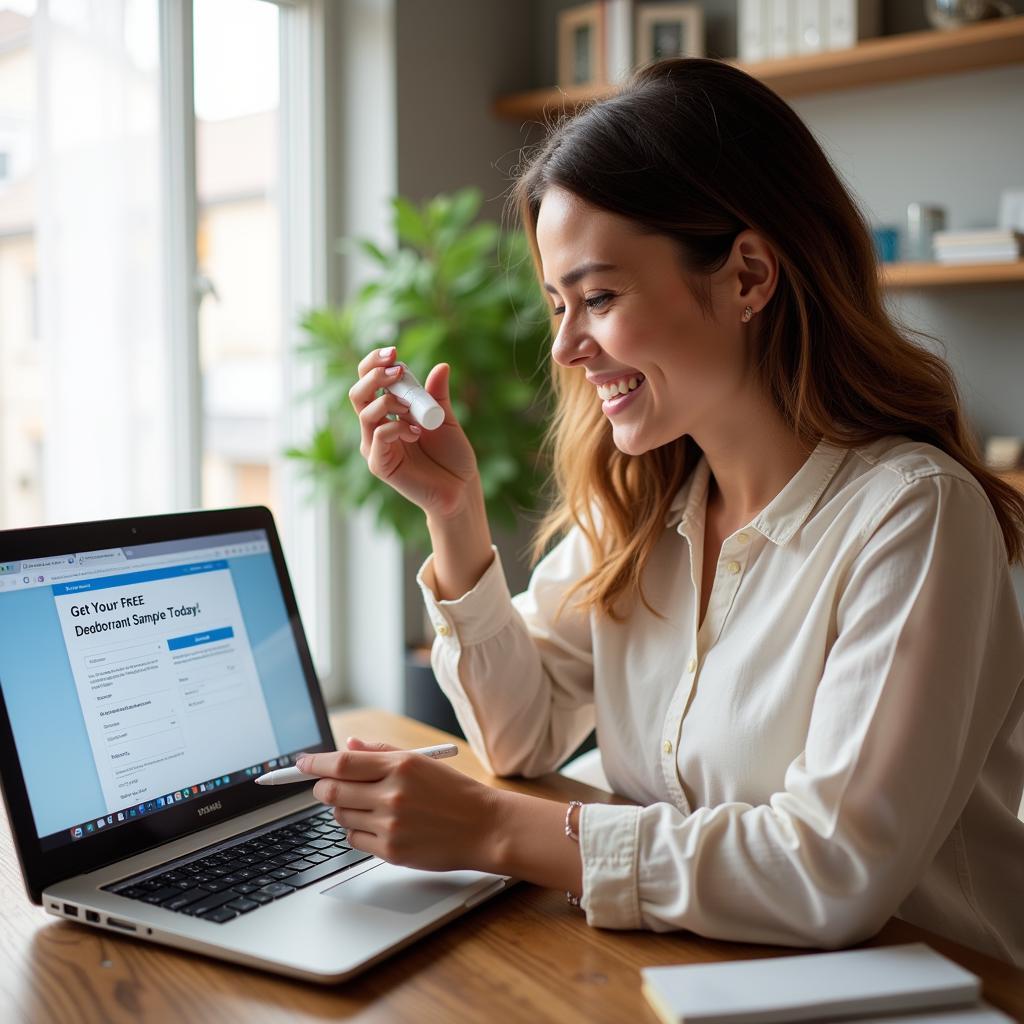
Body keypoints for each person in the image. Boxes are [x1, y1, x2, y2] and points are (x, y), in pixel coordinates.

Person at [298, 57, 1024, 967]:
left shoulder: (914, 519)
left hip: (932, 991)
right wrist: (456, 511)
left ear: (749, 276)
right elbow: (520, 735)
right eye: (559, 304)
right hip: (703, 971)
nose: (566, 347)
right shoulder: (646, 506)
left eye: (598, 297)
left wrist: (495, 829)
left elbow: (831, 869)